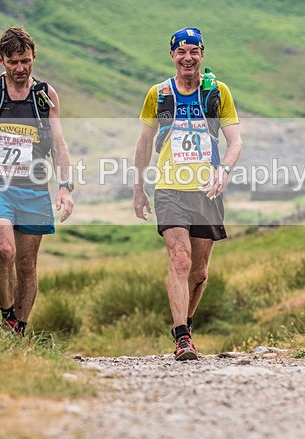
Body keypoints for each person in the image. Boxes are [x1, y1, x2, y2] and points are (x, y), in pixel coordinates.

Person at [133, 27, 242, 360]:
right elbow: (144, 142)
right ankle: (182, 338)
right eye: (181, 52)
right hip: (169, 188)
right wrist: (139, 187)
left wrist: (223, 170)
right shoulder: (159, 94)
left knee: (199, 272)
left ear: (202, 55)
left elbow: (235, 141)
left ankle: (186, 325)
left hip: (206, 191)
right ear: (172, 56)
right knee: (180, 260)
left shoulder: (217, 93)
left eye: (193, 52)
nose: (187, 58)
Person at [0, 27, 74, 336]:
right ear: (1, 60)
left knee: (27, 265)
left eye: (25, 61)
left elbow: (59, 144)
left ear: (34, 56)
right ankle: (7, 314)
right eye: (13, 63)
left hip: (35, 190)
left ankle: (18, 331)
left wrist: (65, 187)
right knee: (6, 252)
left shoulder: (45, 96)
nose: (20, 69)